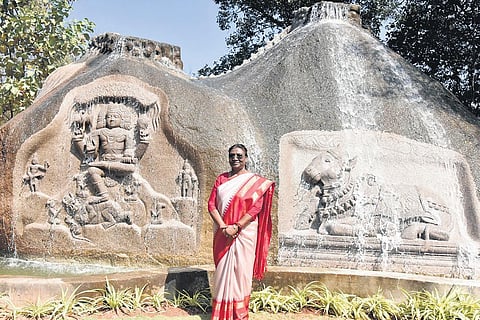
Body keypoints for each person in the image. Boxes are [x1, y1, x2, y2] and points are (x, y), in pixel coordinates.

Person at [208, 144, 275, 320]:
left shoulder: (254, 182)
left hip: (244, 233)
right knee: (223, 270)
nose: (235, 158)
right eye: (232, 155)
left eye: (239, 155)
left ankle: (239, 314)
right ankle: (221, 314)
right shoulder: (221, 179)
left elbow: (256, 209)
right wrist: (224, 227)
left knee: (241, 273)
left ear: (246, 158)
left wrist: (236, 226)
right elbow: (211, 205)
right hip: (223, 234)